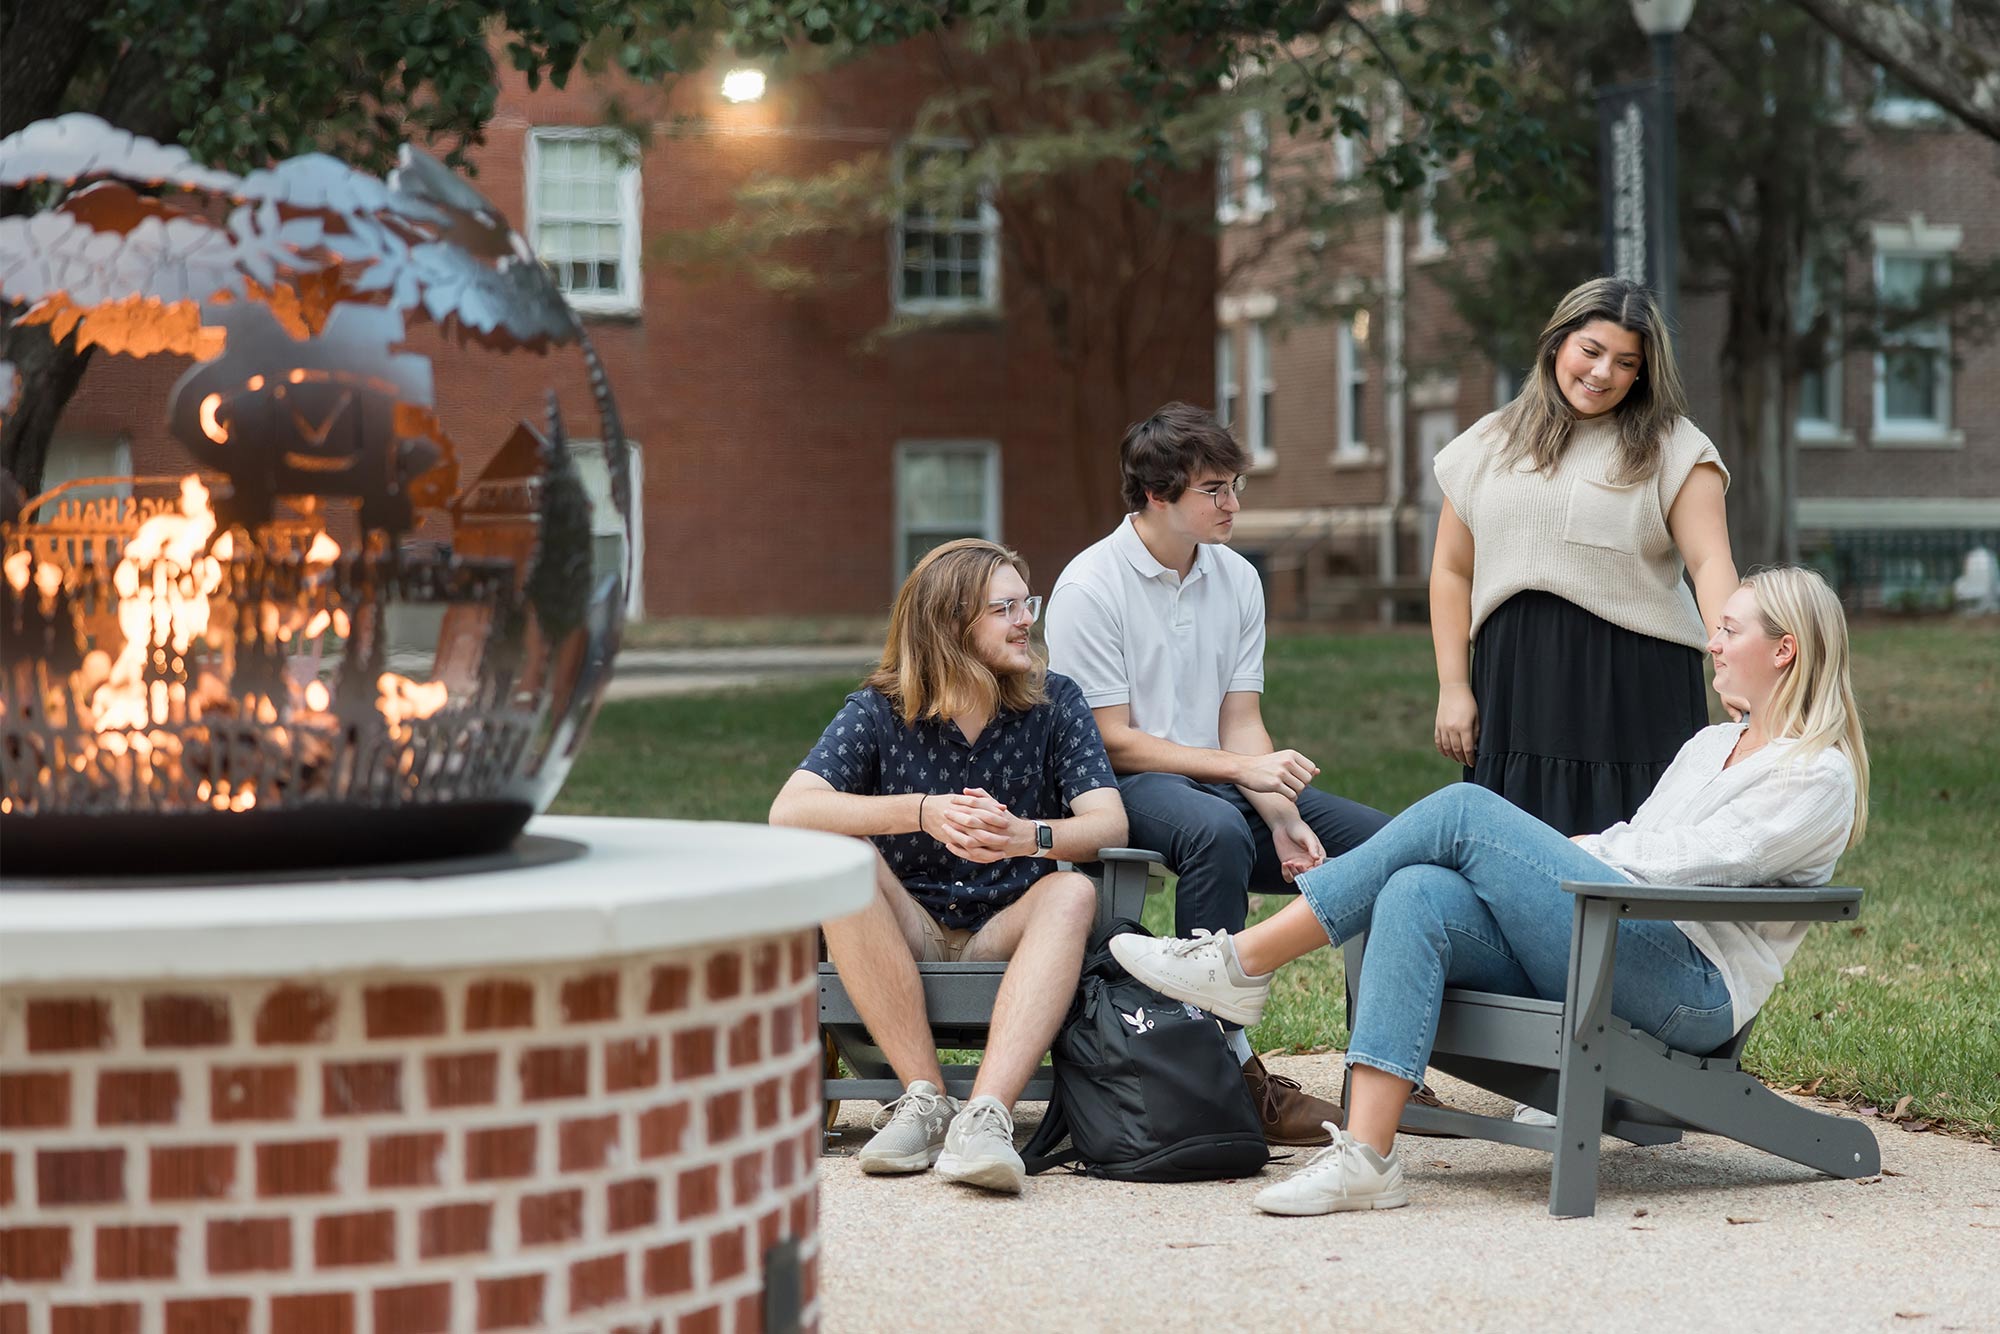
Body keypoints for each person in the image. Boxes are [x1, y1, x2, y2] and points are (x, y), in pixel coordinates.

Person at [1110, 566, 1869, 1216]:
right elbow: (1647, 847)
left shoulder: (1817, 774)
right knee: (1415, 889)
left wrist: (1572, 852)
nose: (1713, 640)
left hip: (1690, 985)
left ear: (1784, 649)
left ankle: (1243, 963)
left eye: (1729, 629)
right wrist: (1589, 855)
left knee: (1465, 811)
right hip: (1616, 933)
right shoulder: (1712, 744)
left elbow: (1699, 863)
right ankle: (1367, 1161)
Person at [1044, 402, 1391, 1146]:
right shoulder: (1088, 587)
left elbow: (1241, 721)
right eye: (1215, 489)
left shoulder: (1236, 578)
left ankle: (1384, 1062)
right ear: (1158, 495)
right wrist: (1244, 774)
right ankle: (1229, 1068)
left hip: (1223, 778)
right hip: (1121, 784)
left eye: (1235, 484)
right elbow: (1114, 741)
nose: (1233, 504)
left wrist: (1279, 807)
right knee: (1212, 831)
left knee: (1386, 847)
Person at [770, 538, 1126, 1196]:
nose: (1027, 620)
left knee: (1072, 896)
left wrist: (1029, 836)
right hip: (906, 926)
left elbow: (1109, 823)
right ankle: (925, 1101)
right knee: (839, 856)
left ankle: (985, 1118)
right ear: (950, 622)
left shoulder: (1055, 704)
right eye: (1006, 608)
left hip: (1004, 924)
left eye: (1029, 603)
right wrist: (922, 811)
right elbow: (791, 810)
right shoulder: (878, 711)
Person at [1431, 277, 1738, 836]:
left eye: (1625, 362)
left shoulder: (1676, 448)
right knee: (1514, 856)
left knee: (1632, 859)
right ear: (1557, 344)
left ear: (1643, 371)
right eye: (1590, 351)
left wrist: (1733, 666)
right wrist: (1454, 685)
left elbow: (1711, 564)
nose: (1602, 374)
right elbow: (1452, 570)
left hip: (1636, 690)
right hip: (1516, 687)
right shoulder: (1488, 443)